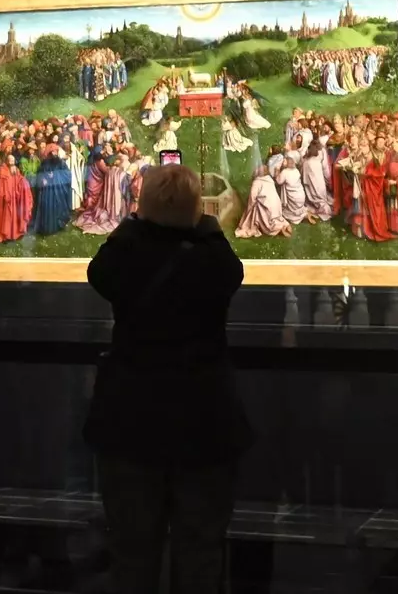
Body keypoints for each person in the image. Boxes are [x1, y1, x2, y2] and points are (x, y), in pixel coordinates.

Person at [85, 163, 249, 594]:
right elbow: (231, 269)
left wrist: (133, 225)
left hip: (132, 421)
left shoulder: (126, 259)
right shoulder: (212, 260)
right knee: (200, 550)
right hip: (203, 420)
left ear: (142, 209)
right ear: (197, 210)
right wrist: (206, 225)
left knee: (133, 550)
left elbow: (99, 270)